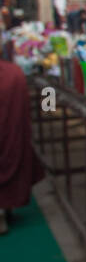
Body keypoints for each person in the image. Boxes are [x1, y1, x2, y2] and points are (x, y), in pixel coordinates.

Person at [0, 58, 46, 235]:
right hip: (45, 88)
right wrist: (48, 110)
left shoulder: (15, 73)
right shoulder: (15, 73)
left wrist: (48, 110)